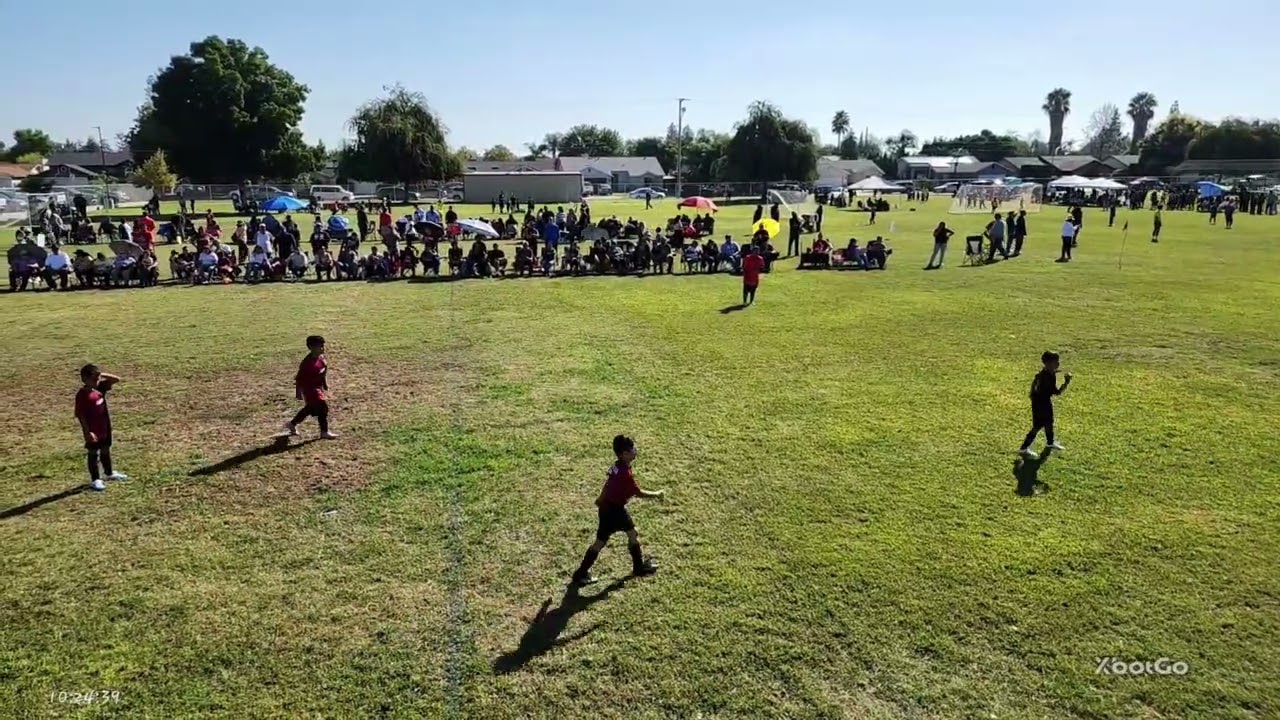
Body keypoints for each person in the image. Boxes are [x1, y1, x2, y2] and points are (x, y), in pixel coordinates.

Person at [569, 435, 662, 587]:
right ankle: (638, 567)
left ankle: (580, 574)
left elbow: (607, 484)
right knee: (632, 533)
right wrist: (656, 494)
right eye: (633, 448)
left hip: (605, 508)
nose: (636, 450)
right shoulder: (625, 474)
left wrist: (600, 498)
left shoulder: (616, 466)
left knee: (600, 542)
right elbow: (638, 492)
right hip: (616, 510)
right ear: (625, 454)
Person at [75, 364, 128, 492]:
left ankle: (109, 473)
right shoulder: (82, 395)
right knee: (93, 453)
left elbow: (116, 379)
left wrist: (101, 375)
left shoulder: (99, 389)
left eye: (97, 379)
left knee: (105, 449)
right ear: (84, 379)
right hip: (93, 430)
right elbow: (80, 415)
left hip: (104, 426)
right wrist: (87, 432)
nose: (96, 382)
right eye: (93, 379)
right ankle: (95, 479)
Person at [1018, 351, 1071, 459]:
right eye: (1055, 362)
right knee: (1037, 426)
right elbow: (1057, 392)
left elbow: (1034, 387)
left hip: (1042, 402)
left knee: (1049, 423)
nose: (1057, 364)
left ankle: (1050, 442)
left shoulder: (1045, 374)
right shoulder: (1047, 377)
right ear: (1048, 363)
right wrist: (1066, 382)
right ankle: (1023, 448)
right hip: (1040, 404)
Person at [284, 335, 338, 439]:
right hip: (309, 389)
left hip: (317, 387)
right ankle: (324, 432)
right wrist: (299, 393)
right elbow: (299, 378)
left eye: (323, 345)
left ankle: (292, 424)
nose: (322, 348)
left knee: (310, 409)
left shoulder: (321, 358)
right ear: (311, 348)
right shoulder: (307, 364)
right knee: (322, 407)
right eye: (319, 346)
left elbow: (323, 371)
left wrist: (324, 384)